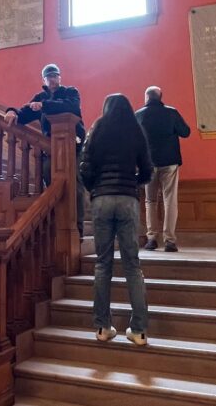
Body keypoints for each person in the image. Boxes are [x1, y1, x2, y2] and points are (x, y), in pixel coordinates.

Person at [80, 94, 152, 346]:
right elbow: (147, 170)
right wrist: (132, 183)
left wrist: (95, 188)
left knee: (102, 264)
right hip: (128, 200)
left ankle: (102, 327)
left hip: (101, 199)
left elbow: (84, 166)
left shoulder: (97, 128)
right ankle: (139, 330)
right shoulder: (135, 130)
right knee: (132, 265)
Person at [5, 64, 87, 237]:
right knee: (51, 183)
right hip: (50, 150)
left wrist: (43, 105)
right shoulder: (40, 97)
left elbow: (72, 108)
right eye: (48, 76)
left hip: (73, 147)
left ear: (60, 77)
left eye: (55, 75)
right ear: (44, 80)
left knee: (75, 185)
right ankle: (59, 224)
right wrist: (12, 112)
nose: (52, 79)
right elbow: (23, 113)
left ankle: (77, 229)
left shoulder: (71, 92)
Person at [135, 86, 191, 252]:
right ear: (160, 97)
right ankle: (169, 240)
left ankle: (151, 238)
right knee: (170, 200)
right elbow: (186, 132)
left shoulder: (138, 115)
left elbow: (134, 140)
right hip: (170, 161)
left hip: (149, 163)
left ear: (146, 97)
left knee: (150, 201)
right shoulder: (171, 112)